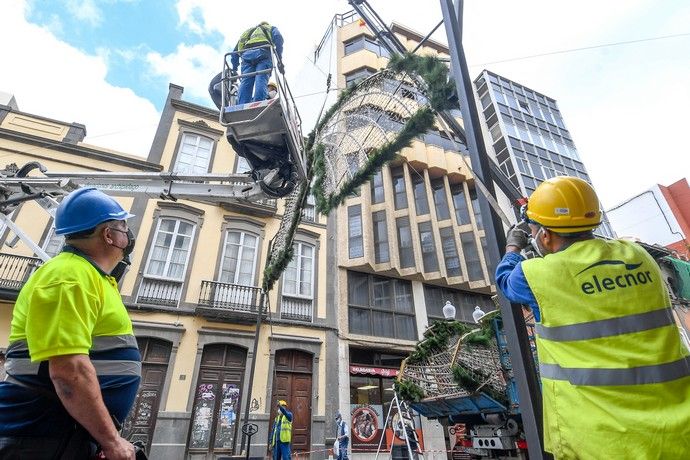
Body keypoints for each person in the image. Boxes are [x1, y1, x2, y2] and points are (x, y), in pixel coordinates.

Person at [495, 176, 690, 459]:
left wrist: (513, 246)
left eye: (536, 228)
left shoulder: (537, 274)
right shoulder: (638, 257)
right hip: (678, 429)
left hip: (603, 439)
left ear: (545, 235)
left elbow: (505, 281)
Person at [0, 187, 141, 460]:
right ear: (108, 235)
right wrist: (111, 441)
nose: (128, 233)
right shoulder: (69, 277)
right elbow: (68, 371)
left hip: (59, 434)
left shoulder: (91, 277)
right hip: (37, 438)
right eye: (123, 225)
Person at [231, 21, 284, 105]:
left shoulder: (248, 32)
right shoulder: (270, 28)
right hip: (263, 54)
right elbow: (278, 37)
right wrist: (279, 59)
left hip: (247, 56)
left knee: (246, 81)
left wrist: (234, 68)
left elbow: (235, 51)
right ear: (266, 24)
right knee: (261, 78)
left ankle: (242, 104)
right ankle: (258, 103)